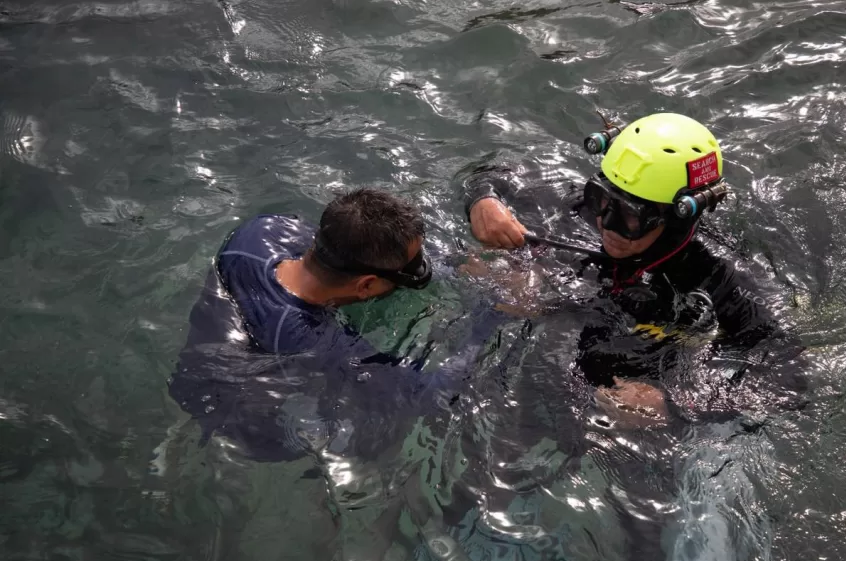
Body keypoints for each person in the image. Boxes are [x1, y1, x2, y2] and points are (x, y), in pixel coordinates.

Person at [460, 111, 807, 421]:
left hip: (642, 406)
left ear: (674, 219)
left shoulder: (718, 276)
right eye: (601, 199)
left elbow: (789, 379)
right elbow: (491, 172)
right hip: (546, 375)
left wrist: (674, 405)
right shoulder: (578, 208)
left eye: (629, 216)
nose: (606, 224)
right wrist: (484, 203)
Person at [167, 187, 508, 463]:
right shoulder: (310, 338)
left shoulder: (265, 230)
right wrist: (493, 312)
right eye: (411, 268)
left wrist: (458, 264)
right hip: (239, 416)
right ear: (366, 286)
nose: (421, 270)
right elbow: (428, 394)